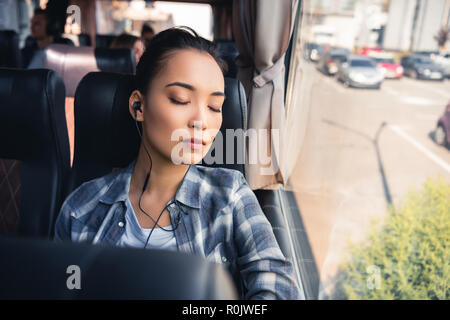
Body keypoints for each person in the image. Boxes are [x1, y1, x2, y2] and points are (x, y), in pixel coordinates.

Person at [53, 27, 301, 300]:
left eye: (215, 107)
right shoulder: (81, 208)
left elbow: (279, 288)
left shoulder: (229, 195)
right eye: (181, 99)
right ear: (139, 106)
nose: (201, 121)